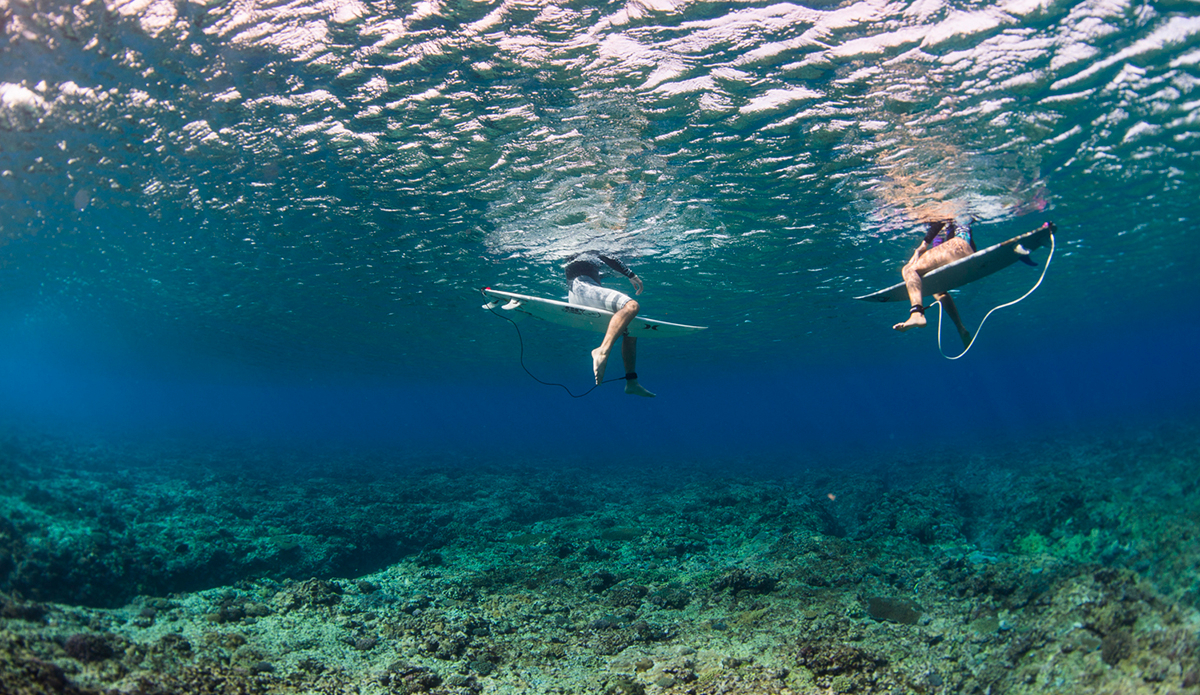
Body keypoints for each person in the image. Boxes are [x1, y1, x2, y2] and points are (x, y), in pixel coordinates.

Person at [565, 251, 655, 397]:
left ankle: (631, 381)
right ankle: (602, 351)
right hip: (581, 287)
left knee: (631, 326)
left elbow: (601, 265)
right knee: (632, 306)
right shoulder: (592, 240)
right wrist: (631, 275)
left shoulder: (582, 255)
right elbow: (608, 256)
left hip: (582, 291)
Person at [892, 219, 977, 348]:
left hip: (957, 247)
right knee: (937, 290)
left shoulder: (944, 215)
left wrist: (922, 245)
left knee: (909, 269)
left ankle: (916, 313)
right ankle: (961, 328)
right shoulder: (943, 236)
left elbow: (940, 220)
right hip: (962, 250)